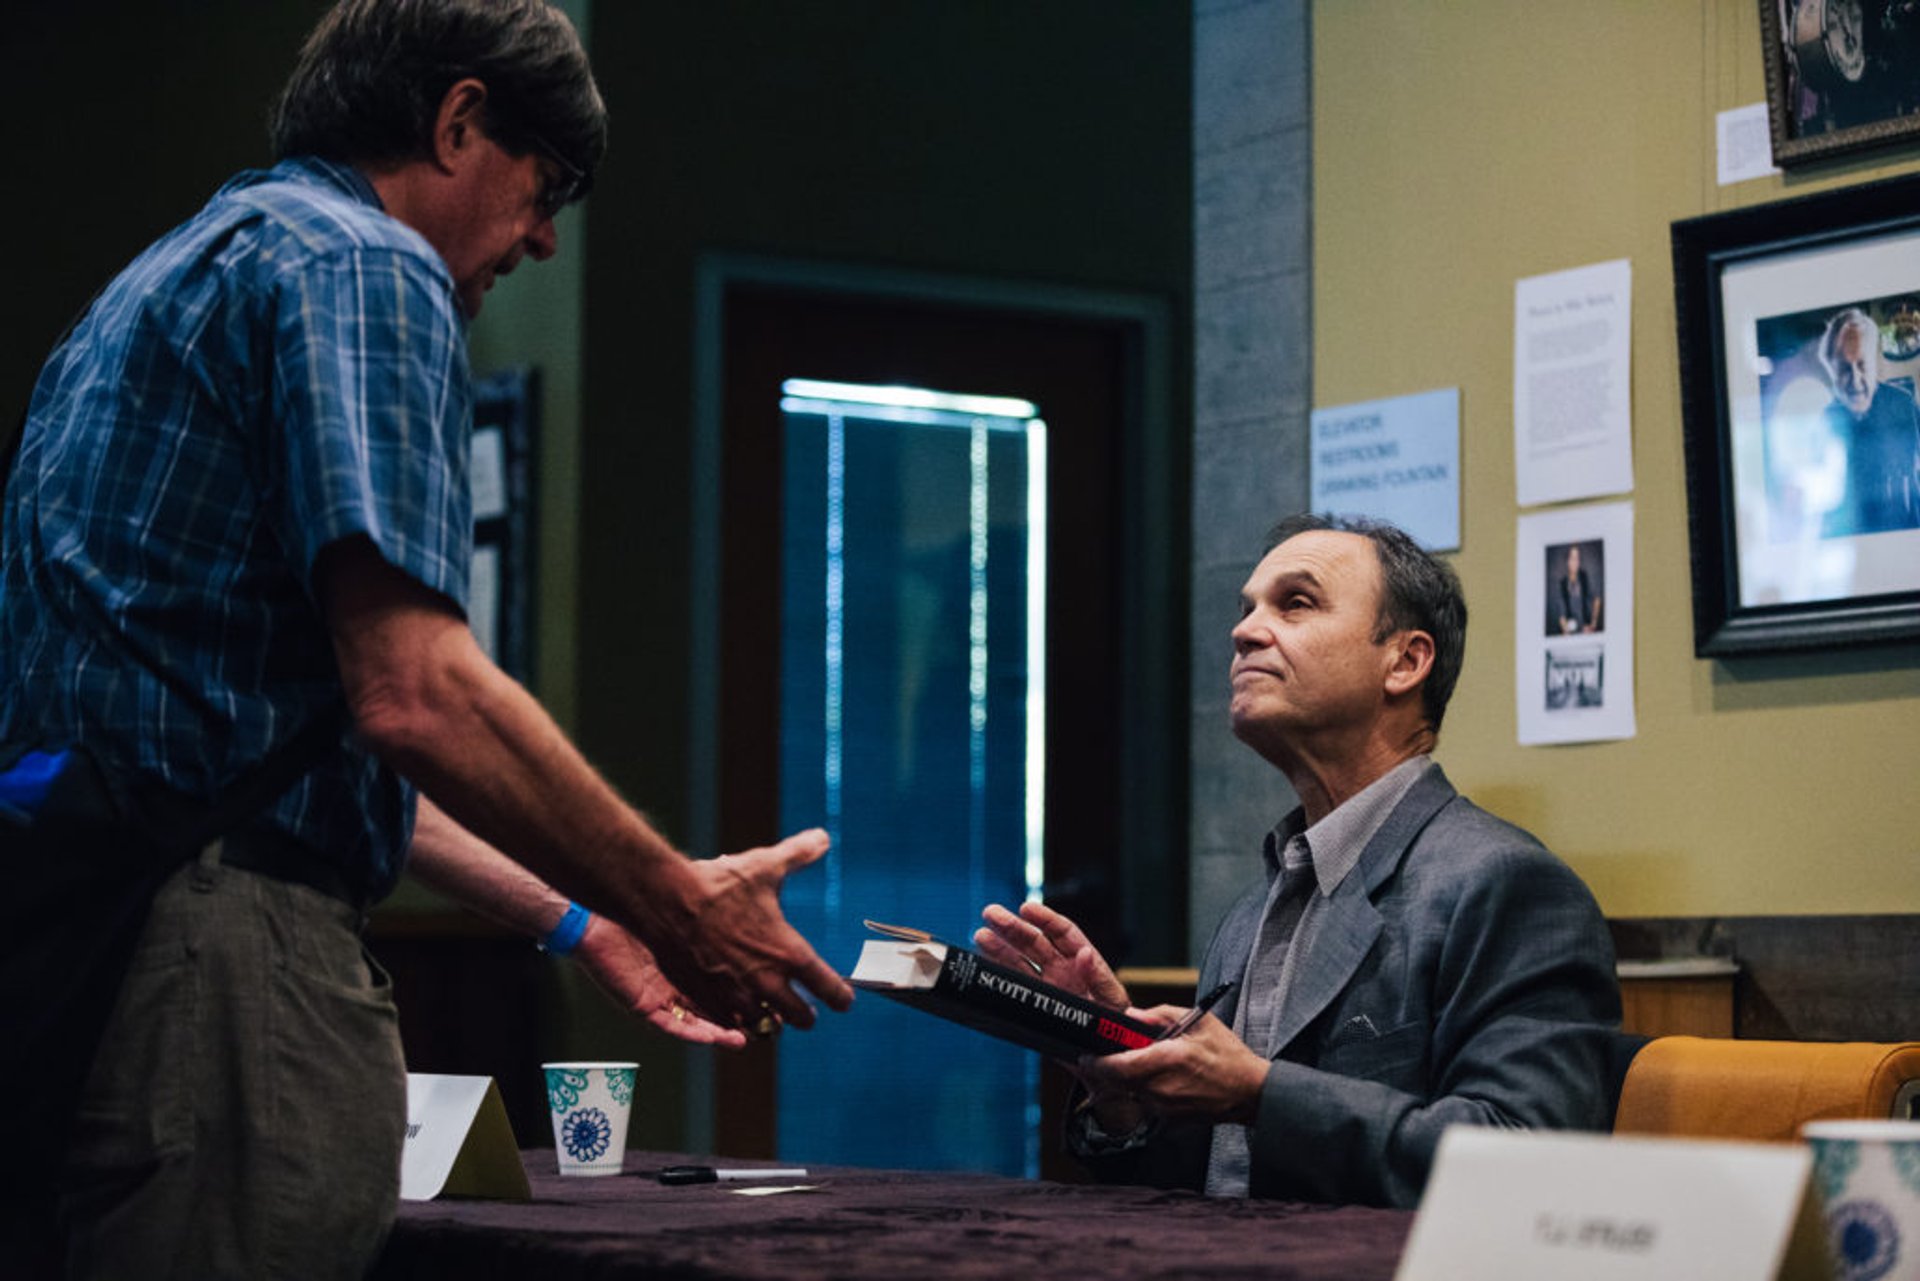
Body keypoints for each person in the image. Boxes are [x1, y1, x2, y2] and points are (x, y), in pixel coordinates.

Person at [0, 2, 850, 1275]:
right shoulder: (363, 262)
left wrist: (584, 920)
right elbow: (417, 696)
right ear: (459, 121)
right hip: (225, 982)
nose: (548, 239)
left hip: (104, 943)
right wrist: (679, 903)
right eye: (543, 185)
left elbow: (280, 748)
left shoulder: (161, 280)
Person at [975, 514, 1620, 1209]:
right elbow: (1212, 1180)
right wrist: (1121, 1080)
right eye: (1247, 608)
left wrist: (1259, 1090)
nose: (1245, 630)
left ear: (1405, 661)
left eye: (1296, 602)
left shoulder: (1506, 885)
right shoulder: (1252, 911)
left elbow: (1530, 1163)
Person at [1817, 307, 1920, 538]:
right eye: (1844, 368)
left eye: (1862, 365)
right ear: (1831, 371)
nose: (1855, 380)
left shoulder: (1902, 403)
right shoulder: (1825, 421)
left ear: (1874, 364)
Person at [1554, 543, 1600, 635]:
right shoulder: (1562, 584)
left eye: (1577, 558)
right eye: (1572, 558)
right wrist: (1566, 631)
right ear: (1567, 561)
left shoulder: (1585, 578)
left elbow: (1597, 599)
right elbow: (1561, 615)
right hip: (1571, 630)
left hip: (1586, 629)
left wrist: (1593, 623)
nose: (1575, 562)